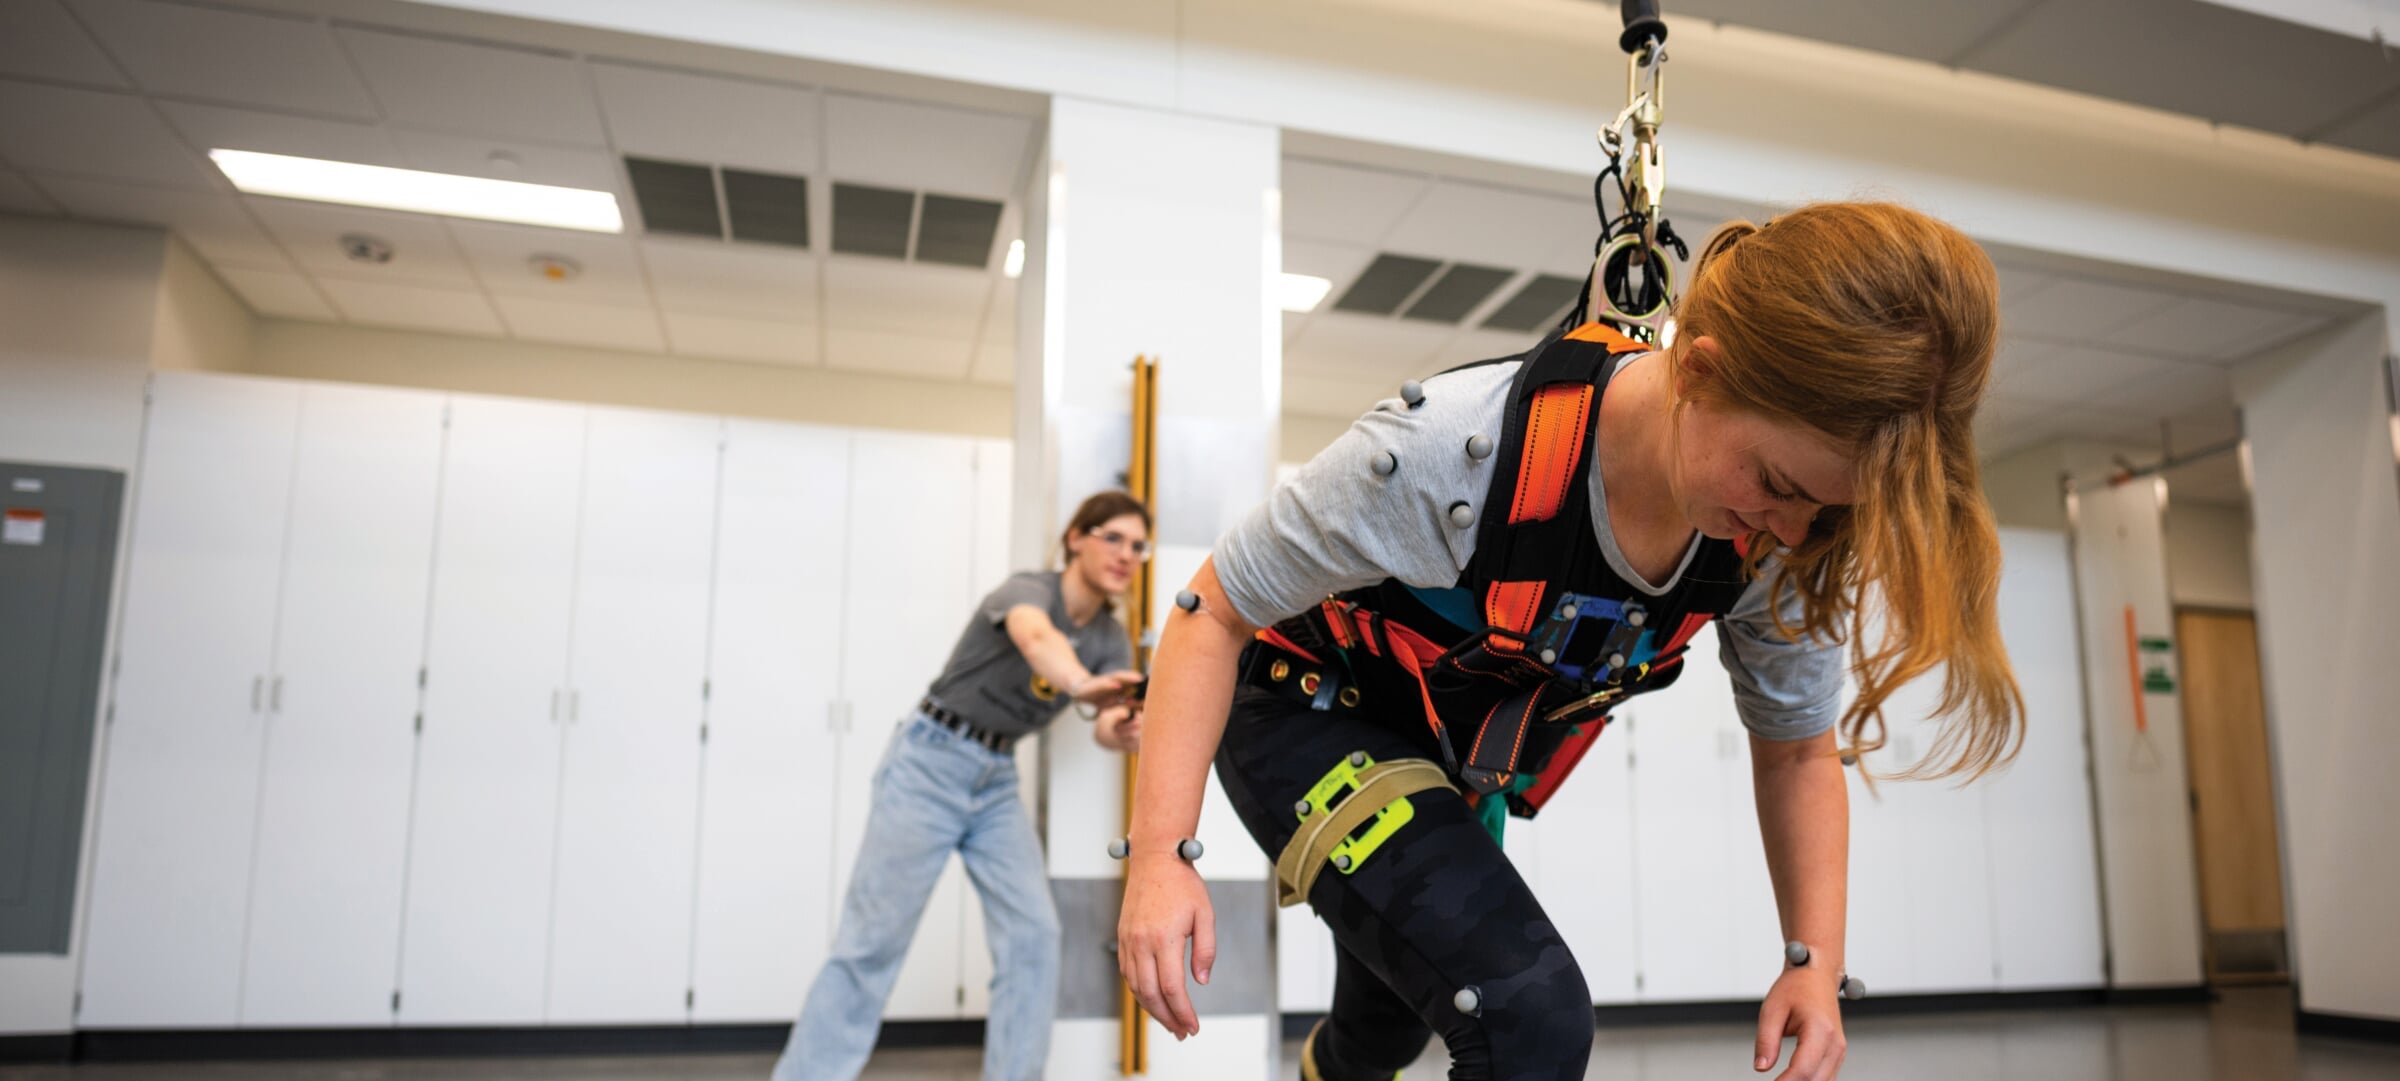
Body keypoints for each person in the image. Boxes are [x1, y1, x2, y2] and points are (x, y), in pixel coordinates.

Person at [1116, 202, 2024, 1081]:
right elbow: (1212, 613)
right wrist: (1160, 854)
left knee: (1387, 1021)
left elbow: (1795, 752)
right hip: (1300, 701)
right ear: (1700, 371)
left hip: (1448, 759)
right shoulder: (1452, 454)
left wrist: (1814, 962)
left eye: (1823, 506)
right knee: (1526, 1017)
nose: (1788, 529)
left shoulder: (1784, 546)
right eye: (1775, 482)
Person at [775, 491, 1153, 1081]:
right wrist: (1082, 684)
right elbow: (1036, 641)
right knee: (871, 944)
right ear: (1076, 538)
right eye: (1113, 537)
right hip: (930, 761)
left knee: (1034, 937)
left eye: (1138, 546)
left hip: (995, 779)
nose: (1126, 554)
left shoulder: (1109, 636)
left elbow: (1104, 720)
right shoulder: (1028, 591)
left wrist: (1125, 730)